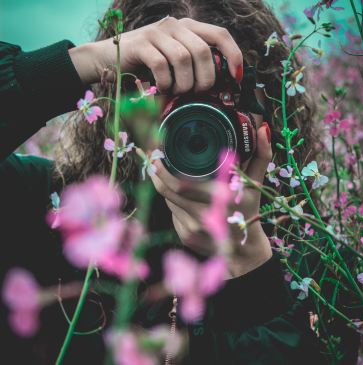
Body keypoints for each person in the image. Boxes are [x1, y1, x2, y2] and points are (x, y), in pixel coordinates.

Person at [0, 0, 330, 364]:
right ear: (119, 109)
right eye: (166, 98)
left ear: (271, 104)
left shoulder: (318, 258)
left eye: (224, 97)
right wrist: (84, 62)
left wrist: (249, 261)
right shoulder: (52, 208)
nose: (197, 124)